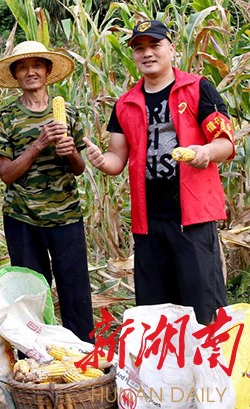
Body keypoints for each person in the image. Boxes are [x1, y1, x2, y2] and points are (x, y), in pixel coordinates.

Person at [84, 20, 235, 324]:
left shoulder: (197, 88)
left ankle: (205, 354)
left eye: (155, 45)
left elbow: (225, 142)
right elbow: (117, 158)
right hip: (148, 222)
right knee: (156, 313)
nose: (147, 53)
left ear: (172, 48)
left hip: (192, 218)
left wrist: (205, 152)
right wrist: (101, 161)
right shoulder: (125, 104)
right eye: (139, 48)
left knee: (202, 307)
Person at [0, 41, 95, 343]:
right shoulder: (6, 117)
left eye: (37, 65)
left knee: (75, 290)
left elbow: (78, 168)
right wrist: (38, 144)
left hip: (66, 215)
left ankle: (85, 354)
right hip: (23, 217)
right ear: (15, 75)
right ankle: (33, 355)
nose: (30, 72)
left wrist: (70, 152)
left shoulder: (69, 112)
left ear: (48, 71)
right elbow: (6, 175)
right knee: (30, 294)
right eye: (23, 67)